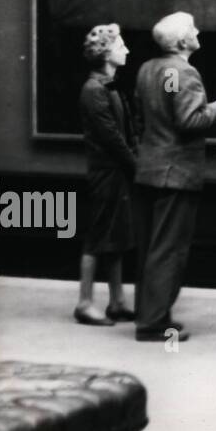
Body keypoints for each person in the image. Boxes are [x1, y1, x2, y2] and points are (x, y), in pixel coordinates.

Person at [131, 12, 216, 341]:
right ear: (181, 42)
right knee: (168, 249)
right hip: (176, 173)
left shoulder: (147, 69)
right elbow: (189, 121)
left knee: (149, 247)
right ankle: (153, 323)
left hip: (149, 169)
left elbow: (140, 117)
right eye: (192, 29)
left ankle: (150, 313)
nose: (198, 31)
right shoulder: (183, 72)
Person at [74, 24, 138, 327]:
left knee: (117, 236)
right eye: (121, 45)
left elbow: (124, 131)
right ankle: (84, 303)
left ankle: (117, 301)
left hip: (117, 172)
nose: (126, 50)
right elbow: (112, 137)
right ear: (106, 53)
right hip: (106, 172)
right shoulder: (94, 89)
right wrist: (136, 165)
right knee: (98, 234)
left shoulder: (108, 85)